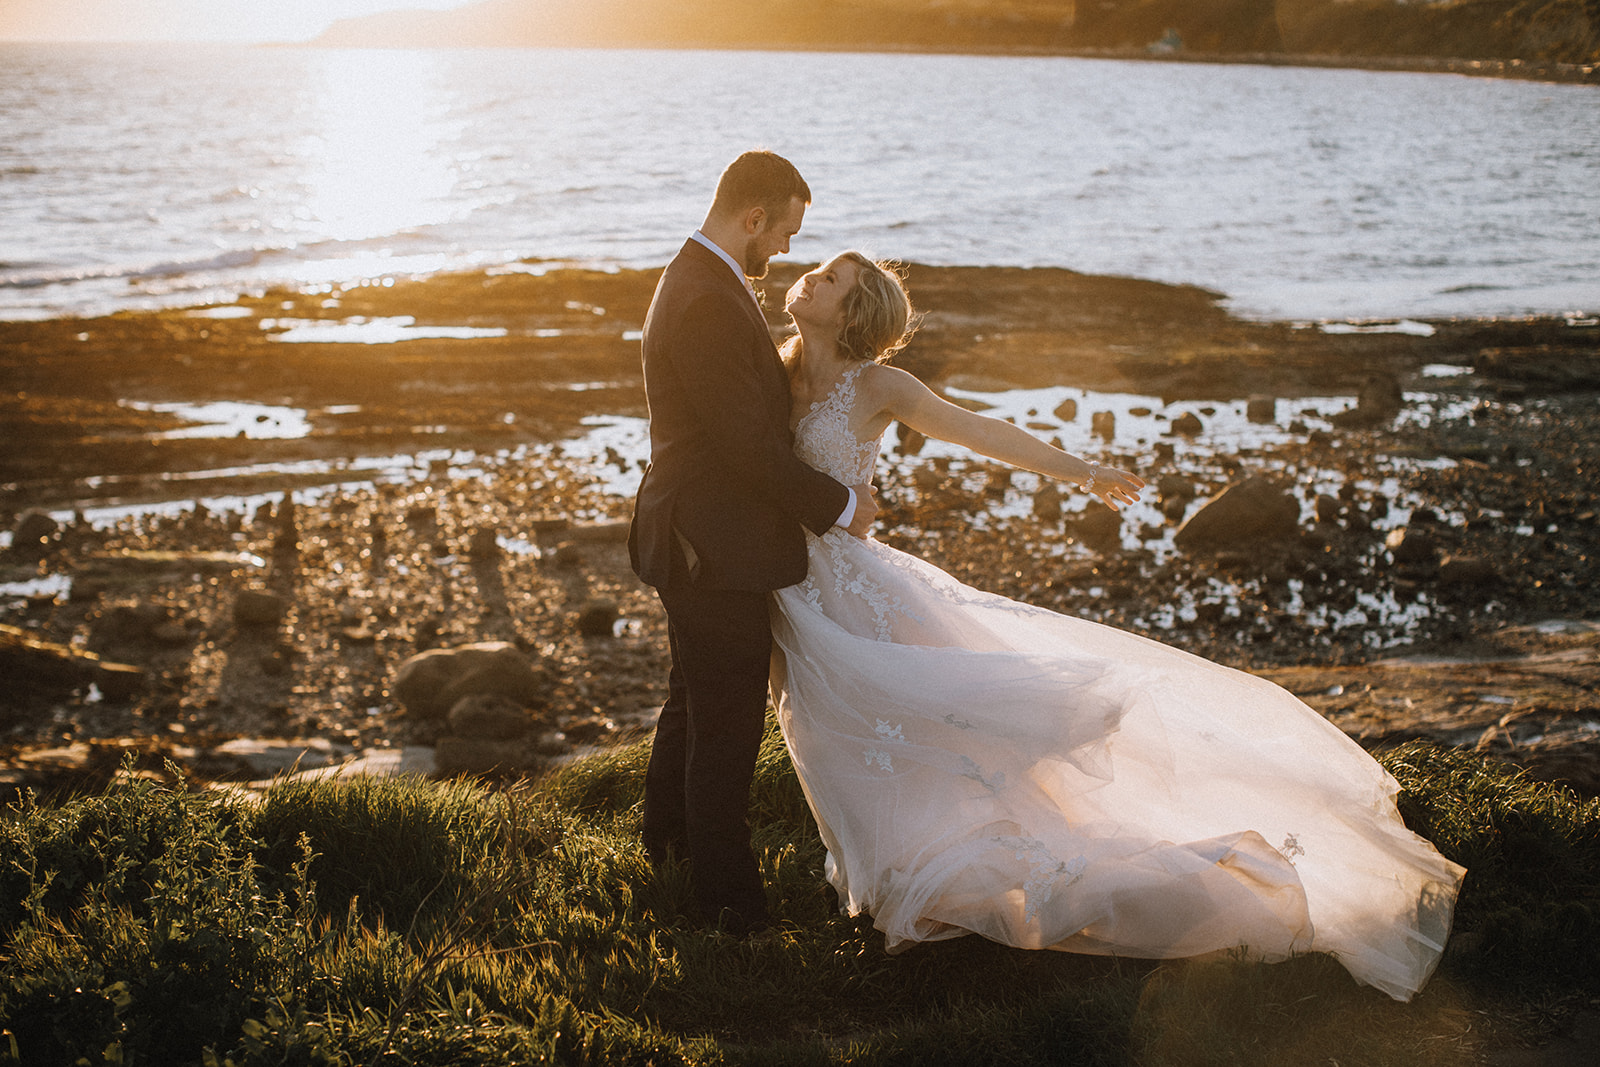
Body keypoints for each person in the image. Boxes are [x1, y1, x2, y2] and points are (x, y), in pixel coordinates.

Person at [765, 250, 1465, 1001]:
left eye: (833, 278)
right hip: (795, 593)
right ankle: (894, 877)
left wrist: (1081, 469)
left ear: (855, 311)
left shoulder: (879, 384)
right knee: (832, 737)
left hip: (859, 594)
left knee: (928, 724)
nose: (810, 276)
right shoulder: (770, 367)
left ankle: (958, 882)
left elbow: (976, 429)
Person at [627, 152, 878, 936]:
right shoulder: (705, 297)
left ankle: (665, 855)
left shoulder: (707, 280)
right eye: (783, 234)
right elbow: (746, 446)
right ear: (754, 217)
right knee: (728, 727)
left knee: (692, 705)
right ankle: (731, 910)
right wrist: (841, 503)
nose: (782, 254)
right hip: (709, 543)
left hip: (699, 533)